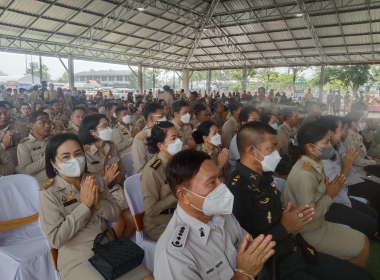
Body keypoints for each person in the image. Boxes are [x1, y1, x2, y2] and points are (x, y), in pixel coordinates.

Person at [226, 121, 375, 280]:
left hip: (294, 247)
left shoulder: (264, 175)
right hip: (276, 264)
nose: (276, 152)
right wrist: (285, 227)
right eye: (271, 148)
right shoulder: (238, 190)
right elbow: (248, 244)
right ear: (251, 151)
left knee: (363, 275)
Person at [38, 133, 153, 280]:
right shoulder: (48, 194)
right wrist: (85, 206)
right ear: (53, 163)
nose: (74, 159)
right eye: (66, 157)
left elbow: (115, 214)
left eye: (78, 153)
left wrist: (98, 204)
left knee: (148, 277)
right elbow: (56, 239)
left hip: (108, 248)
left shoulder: (95, 179)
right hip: (77, 257)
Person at [154, 149, 276, 280]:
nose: (222, 185)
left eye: (219, 177)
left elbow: (248, 247)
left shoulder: (222, 214)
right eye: (212, 182)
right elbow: (247, 268)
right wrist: (243, 274)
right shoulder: (174, 253)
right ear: (183, 195)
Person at [286, 122, 370, 267]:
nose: (331, 145)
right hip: (308, 232)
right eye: (326, 142)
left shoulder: (313, 164)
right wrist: (329, 195)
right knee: (362, 247)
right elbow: (309, 216)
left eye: (330, 140)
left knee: (364, 240)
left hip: (320, 224)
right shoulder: (304, 174)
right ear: (310, 147)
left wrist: (327, 193)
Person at [317, 115, 379, 238]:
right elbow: (333, 188)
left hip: (344, 191)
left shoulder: (336, 146)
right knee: (371, 224)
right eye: (341, 128)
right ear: (330, 132)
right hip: (333, 200)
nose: (344, 132)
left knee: (373, 214)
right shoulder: (323, 155)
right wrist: (347, 165)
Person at [78, 114, 133, 238]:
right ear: (92, 132)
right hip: (98, 196)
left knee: (132, 219)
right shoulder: (83, 152)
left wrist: (114, 178)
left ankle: (122, 247)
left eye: (108, 125)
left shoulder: (112, 146)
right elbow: (83, 184)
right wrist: (105, 179)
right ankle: (112, 252)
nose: (109, 129)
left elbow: (122, 171)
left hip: (115, 191)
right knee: (118, 223)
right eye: (104, 126)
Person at [140, 122, 180, 241]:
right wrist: (177, 194)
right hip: (160, 224)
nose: (178, 142)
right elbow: (151, 209)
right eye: (173, 139)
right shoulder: (152, 171)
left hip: (179, 216)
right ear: (161, 145)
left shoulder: (177, 161)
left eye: (178, 137)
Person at [17, 111, 51, 187]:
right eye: (42, 123)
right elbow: (25, 170)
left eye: (49, 123)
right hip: (42, 186)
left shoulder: (56, 140)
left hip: (61, 181)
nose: (48, 125)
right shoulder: (24, 145)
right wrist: (49, 157)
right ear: (32, 125)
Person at [131, 103, 165, 174]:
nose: (164, 118)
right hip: (149, 177)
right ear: (151, 118)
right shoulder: (140, 139)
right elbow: (140, 170)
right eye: (161, 116)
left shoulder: (164, 133)